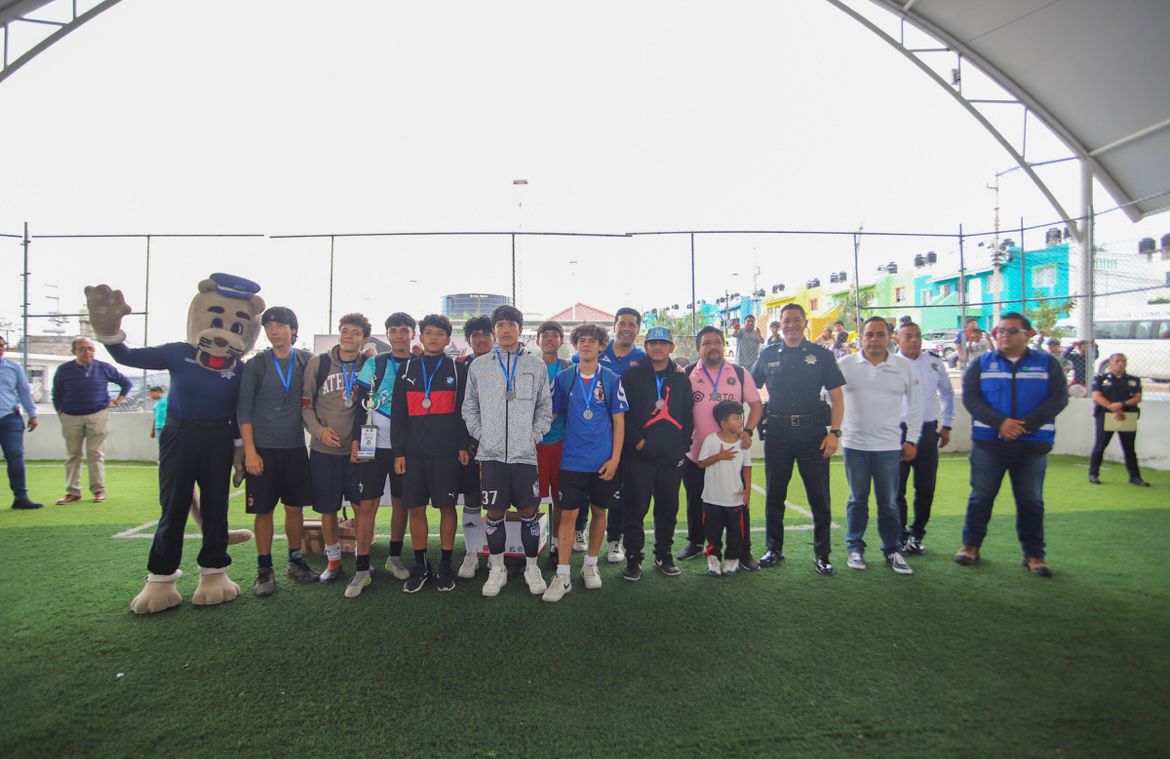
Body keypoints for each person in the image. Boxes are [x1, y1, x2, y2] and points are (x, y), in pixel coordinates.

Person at [956, 312, 1068, 577]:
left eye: (1011, 330)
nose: (1004, 335)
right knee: (980, 497)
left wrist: (1023, 426)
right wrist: (1001, 423)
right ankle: (970, 546)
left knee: (1030, 501)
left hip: (1032, 446)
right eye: (1000, 331)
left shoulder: (1047, 364)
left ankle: (1034, 555)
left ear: (1027, 334)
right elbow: (971, 399)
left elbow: (1058, 399)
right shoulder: (981, 363)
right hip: (989, 445)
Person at [462, 305, 552, 597]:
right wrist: (483, 435)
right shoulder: (479, 366)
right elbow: (469, 408)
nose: (505, 329)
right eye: (500, 324)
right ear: (494, 330)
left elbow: (545, 410)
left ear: (519, 328)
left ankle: (531, 567)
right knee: (495, 513)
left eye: (511, 324)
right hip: (491, 458)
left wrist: (532, 437)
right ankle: (497, 568)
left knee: (529, 513)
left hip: (525, 457)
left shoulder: (536, 366)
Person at [752, 303, 844, 576]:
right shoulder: (767, 355)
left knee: (819, 498)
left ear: (805, 323)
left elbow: (837, 398)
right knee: (774, 496)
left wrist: (834, 433)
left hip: (812, 436)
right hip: (778, 435)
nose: (791, 325)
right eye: (786, 321)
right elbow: (749, 387)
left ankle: (822, 554)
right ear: (780, 325)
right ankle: (773, 548)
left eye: (796, 320)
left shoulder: (821, 355)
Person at [542, 323, 628, 602]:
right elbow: (552, 415)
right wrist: (528, 435)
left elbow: (619, 421)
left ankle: (590, 566)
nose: (587, 345)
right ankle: (563, 574)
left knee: (599, 513)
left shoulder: (612, 379)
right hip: (572, 461)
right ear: (576, 345)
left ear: (602, 346)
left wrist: (615, 459)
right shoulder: (566, 378)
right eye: (582, 340)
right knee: (568, 515)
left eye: (593, 341)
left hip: (602, 462)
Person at [237, 306, 319, 596]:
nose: (274, 330)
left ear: (293, 330)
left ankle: (296, 560)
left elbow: (334, 371)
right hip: (263, 450)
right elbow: (243, 412)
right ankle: (264, 569)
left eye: (280, 325)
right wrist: (250, 453)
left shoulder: (306, 361)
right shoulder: (256, 364)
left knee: (295, 508)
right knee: (264, 511)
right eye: (269, 325)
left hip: (295, 447)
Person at [390, 314, 470, 593]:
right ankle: (421, 565)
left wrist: (463, 446)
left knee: (447, 507)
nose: (434, 338)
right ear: (420, 337)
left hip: (446, 454)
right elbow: (398, 415)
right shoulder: (406, 370)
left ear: (449, 339)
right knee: (415, 508)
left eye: (440, 333)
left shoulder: (459, 371)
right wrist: (398, 452)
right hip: (413, 455)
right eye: (429, 333)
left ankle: (445, 565)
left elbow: (464, 413)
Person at [837, 316, 921, 575]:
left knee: (889, 502)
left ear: (890, 337)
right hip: (855, 446)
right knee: (857, 500)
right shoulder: (845, 365)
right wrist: (834, 431)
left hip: (888, 447)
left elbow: (916, 405)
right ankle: (855, 548)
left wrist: (911, 439)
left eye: (880, 334)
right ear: (861, 337)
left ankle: (892, 549)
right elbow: (829, 400)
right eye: (869, 334)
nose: (874, 339)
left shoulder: (903, 367)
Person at [676, 327, 762, 568]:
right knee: (696, 499)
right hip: (696, 453)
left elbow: (756, 406)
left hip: (732, 456)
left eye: (717, 342)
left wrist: (748, 431)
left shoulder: (739, 372)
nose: (713, 346)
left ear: (724, 345)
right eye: (706, 343)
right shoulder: (688, 374)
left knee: (738, 503)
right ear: (697, 348)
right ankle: (696, 542)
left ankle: (743, 551)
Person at [619, 326, 694, 581]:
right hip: (638, 458)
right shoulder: (631, 375)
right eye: (653, 343)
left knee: (667, 509)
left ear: (671, 347)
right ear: (646, 345)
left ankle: (664, 554)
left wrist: (682, 446)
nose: (658, 347)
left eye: (663, 343)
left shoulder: (681, 377)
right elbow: (623, 415)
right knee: (635, 509)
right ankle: (633, 557)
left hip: (671, 459)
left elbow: (688, 414)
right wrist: (638, 442)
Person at [302, 313, 371, 585]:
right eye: (344, 330)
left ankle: (361, 558)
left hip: (357, 452)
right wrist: (319, 431)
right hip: (324, 450)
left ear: (364, 339)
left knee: (361, 508)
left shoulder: (369, 364)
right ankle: (333, 560)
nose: (348, 336)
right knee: (328, 509)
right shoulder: (318, 364)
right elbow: (305, 405)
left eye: (355, 332)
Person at [572, 307, 645, 564]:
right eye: (622, 323)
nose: (626, 328)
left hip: (625, 432)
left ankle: (615, 539)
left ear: (637, 329)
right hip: (591, 434)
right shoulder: (596, 352)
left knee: (618, 489)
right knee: (582, 484)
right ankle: (579, 529)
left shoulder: (642, 358)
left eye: (632, 324)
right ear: (614, 326)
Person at [350, 312, 415, 592]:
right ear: (387, 335)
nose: (399, 335)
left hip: (405, 449)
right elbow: (359, 405)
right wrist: (355, 441)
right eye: (393, 331)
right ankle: (362, 568)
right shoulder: (374, 364)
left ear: (413, 333)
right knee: (367, 507)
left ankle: (394, 558)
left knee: (402, 504)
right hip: (371, 446)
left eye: (404, 330)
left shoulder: (420, 365)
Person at [894, 321, 955, 555]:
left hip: (927, 432)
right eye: (908, 336)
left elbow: (947, 393)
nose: (914, 340)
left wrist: (947, 424)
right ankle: (899, 535)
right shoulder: (889, 365)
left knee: (926, 488)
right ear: (897, 339)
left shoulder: (933, 362)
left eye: (917, 336)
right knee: (896, 490)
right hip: (898, 432)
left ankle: (917, 535)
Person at [51, 336, 133, 504]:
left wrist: (118, 401)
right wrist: (60, 411)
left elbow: (126, 383)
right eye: (82, 349)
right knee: (73, 454)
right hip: (70, 416)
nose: (87, 352)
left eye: (90, 348)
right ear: (73, 351)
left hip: (98, 415)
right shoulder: (64, 370)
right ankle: (72, 492)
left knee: (95, 453)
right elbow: (56, 393)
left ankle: (99, 490)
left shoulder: (104, 368)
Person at [455, 315, 494, 579]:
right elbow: (455, 410)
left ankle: (494, 551)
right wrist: (464, 443)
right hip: (469, 445)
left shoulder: (506, 364)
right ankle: (471, 553)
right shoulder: (459, 367)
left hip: (499, 446)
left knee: (495, 499)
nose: (481, 339)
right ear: (468, 339)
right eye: (475, 335)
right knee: (471, 497)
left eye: (485, 334)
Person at [697, 400, 753, 577]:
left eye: (741, 418)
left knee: (735, 533)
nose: (740, 422)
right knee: (712, 533)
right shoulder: (711, 440)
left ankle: (732, 560)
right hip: (712, 498)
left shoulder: (744, 443)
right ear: (723, 423)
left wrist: (748, 491)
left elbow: (747, 468)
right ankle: (713, 559)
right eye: (736, 418)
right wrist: (719, 456)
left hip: (734, 499)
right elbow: (701, 463)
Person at [534, 320, 571, 571]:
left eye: (554, 335)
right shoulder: (527, 366)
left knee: (560, 498)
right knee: (531, 498)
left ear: (561, 341)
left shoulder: (569, 368)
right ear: (537, 341)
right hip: (533, 443)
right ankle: (532, 546)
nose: (549, 339)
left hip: (561, 443)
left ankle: (557, 545)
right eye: (544, 335)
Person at [1089, 353, 1149, 487]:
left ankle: (1135, 477)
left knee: (1129, 448)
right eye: (1117, 361)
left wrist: (1121, 405)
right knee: (1100, 446)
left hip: (1127, 415)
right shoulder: (1101, 378)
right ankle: (1093, 474)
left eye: (1123, 361)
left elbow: (1137, 397)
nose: (1120, 364)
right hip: (1106, 414)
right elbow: (1097, 396)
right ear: (1110, 363)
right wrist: (1112, 407)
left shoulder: (1133, 380)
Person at [0, 335, 42, 510]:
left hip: (9, 418)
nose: (0, 348)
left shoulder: (13, 367)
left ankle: (21, 497)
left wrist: (32, 414)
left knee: (15, 456)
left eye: (2, 345)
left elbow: (24, 392)